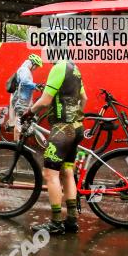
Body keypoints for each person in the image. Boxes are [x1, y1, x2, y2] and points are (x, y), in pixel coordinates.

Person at [21, 60, 87, 235]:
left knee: (50, 174)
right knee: (67, 172)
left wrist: (29, 112)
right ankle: (72, 220)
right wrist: (76, 118)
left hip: (63, 129)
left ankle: (56, 222)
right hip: (76, 127)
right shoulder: (75, 69)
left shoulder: (59, 67)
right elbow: (84, 98)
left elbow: (45, 100)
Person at [10, 54, 45, 141]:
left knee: (23, 120)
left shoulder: (26, 70)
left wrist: (36, 87)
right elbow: (25, 82)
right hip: (21, 100)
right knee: (18, 123)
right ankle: (15, 144)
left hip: (24, 100)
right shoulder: (24, 70)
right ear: (32, 63)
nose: (36, 68)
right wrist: (35, 85)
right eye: (36, 66)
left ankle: (20, 139)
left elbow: (26, 84)